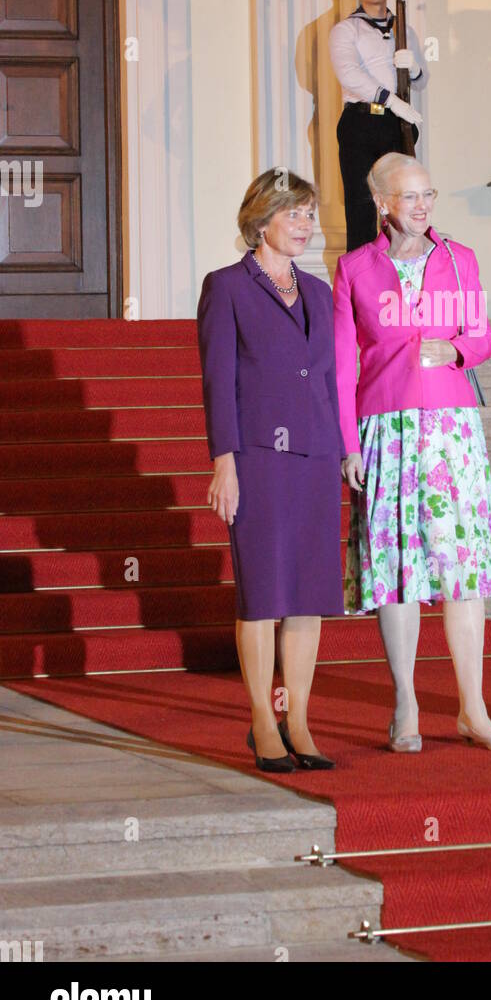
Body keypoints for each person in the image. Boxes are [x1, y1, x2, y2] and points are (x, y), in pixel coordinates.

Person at [333, 152, 491, 752]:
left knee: (463, 570)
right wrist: (345, 443)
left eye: (428, 195)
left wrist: (460, 353)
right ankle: (406, 706)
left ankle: (474, 709)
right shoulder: (355, 269)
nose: (421, 207)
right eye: (409, 197)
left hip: (451, 431)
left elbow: (482, 334)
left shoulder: (459, 260)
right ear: (382, 203)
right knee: (398, 571)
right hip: (385, 427)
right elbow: (342, 364)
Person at [197, 169, 345, 772]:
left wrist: (340, 449)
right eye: (296, 214)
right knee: (262, 594)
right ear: (262, 222)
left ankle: (300, 721)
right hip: (256, 458)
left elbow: (330, 380)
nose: (307, 225)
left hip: (313, 456)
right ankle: (262, 717)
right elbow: (218, 381)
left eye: (310, 215)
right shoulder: (226, 287)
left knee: (308, 595)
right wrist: (223, 463)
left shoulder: (319, 292)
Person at [329, 0, 426, 251]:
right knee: (361, 207)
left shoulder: (404, 29)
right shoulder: (347, 30)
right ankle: (359, 282)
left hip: (395, 125)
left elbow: (421, 80)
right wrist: (391, 101)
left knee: (400, 204)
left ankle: (401, 267)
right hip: (361, 123)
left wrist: (414, 69)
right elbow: (349, 73)